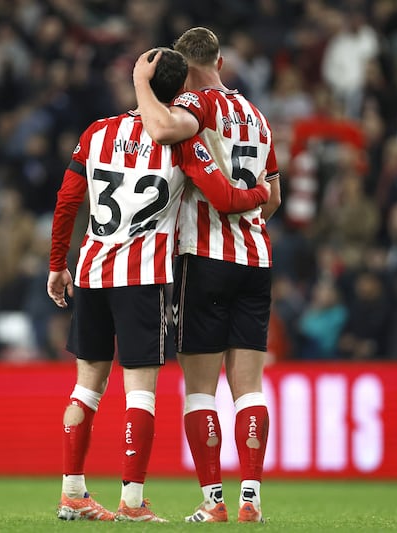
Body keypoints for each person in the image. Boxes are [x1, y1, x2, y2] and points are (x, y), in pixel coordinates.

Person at [48, 48, 270, 523]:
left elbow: (67, 200)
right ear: (183, 89)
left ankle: (73, 492)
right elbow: (223, 196)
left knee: (86, 388)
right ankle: (131, 502)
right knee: (140, 394)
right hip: (142, 278)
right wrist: (258, 196)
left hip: (89, 271)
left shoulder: (96, 133)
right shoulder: (179, 142)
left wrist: (56, 265)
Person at [132, 27, 282, 523]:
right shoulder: (258, 117)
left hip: (205, 256)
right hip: (256, 259)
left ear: (183, 64)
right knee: (250, 389)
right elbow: (274, 196)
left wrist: (142, 83)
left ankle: (214, 501)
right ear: (219, 58)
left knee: (200, 389)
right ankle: (252, 501)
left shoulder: (199, 104)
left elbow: (161, 131)